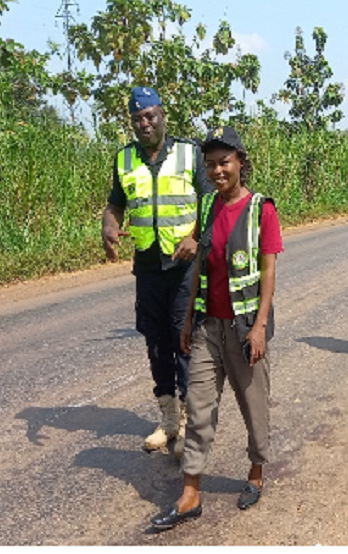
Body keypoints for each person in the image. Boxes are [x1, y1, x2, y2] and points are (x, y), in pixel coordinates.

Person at [150, 126, 283, 531]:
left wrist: (259, 327)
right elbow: (199, 268)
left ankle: (256, 471)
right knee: (199, 405)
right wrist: (188, 319)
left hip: (244, 329)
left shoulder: (262, 209)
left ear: (241, 162)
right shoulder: (206, 207)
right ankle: (190, 492)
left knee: (253, 404)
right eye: (210, 165)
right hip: (208, 326)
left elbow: (268, 271)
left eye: (224, 162)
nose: (217, 170)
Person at [102, 86, 213, 458]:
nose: (144, 123)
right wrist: (108, 226)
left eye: (149, 116)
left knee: (183, 341)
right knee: (155, 342)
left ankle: (187, 422)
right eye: (137, 118)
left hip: (183, 267)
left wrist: (197, 239)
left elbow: (212, 202)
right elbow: (115, 206)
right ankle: (168, 420)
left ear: (162, 115)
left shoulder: (189, 153)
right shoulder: (125, 159)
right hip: (148, 264)